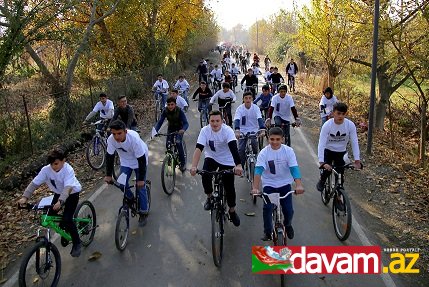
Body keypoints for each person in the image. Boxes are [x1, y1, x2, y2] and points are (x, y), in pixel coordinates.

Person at [18, 149, 82, 257]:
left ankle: (77, 242)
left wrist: (60, 202)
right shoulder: (45, 170)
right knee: (50, 215)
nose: (54, 167)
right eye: (51, 164)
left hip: (72, 194)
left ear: (63, 161)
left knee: (67, 218)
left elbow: (68, 188)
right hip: (58, 193)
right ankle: (64, 227)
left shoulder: (68, 169)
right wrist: (25, 197)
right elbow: (34, 184)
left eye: (56, 164)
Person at [190, 110, 243, 226]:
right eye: (212, 121)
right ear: (209, 121)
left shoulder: (227, 131)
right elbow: (199, 148)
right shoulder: (205, 131)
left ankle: (232, 211)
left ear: (222, 121)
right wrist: (194, 166)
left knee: (229, 186)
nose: (215, 124)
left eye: (217, 121)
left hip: (227, 159)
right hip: (212, 157)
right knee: (205, 175)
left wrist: (238, 165)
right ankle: (209, 197)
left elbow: (234, 149)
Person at [251, 127, 305, 241]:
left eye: (277, 139)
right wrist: (255, 188)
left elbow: (294, 168)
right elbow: (258, 170)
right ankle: (267, 231)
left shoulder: (288, 151)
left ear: (283, 139)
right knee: (268, 208)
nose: (274, 142)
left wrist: (298, 185)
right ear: (268, 139)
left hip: (285, 184)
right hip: (269, 184)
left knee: (288, 211)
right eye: (272, 139)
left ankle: (288, 225)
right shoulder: (264, 153)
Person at [104, 120, 150, 225]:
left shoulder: (133, 139)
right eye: (114, 134)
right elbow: (109, 157)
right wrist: (108, 175)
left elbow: (141, 160)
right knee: (121, 184)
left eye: (119, 133)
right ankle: (130, 197)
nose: (116, 137)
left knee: (140, 187)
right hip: (126, 162)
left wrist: (141, 179)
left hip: (140, 160)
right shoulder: (111, 140)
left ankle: (143, 212)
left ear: (125, 131)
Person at [316, 102, 361, 192]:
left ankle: (339, 195)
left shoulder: (350, 125)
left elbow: (354, 142)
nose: (341, 116)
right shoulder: (327, 125)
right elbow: (321, 143)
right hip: (328, 150)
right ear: (333, 113)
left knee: (340, 174)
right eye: (338, 113)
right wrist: (321, 161)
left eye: (343, 114)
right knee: (327, 170)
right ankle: (322, 180)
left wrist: (357, 160)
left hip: (341, 152)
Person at [154, 97, 188, 172]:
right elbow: (160, 122)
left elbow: (186, 123)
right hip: (171, 128)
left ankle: (183, 163)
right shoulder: (165, 111)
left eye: (172, 104)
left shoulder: (180, 111)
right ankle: (170, 158)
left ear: (175, 104)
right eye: (168, 105)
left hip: (179, 129)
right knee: (168, 144)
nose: (170, 106)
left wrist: (183, 130)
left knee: (178, 143)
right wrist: (155, 131)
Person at [234, 91, 266, 168]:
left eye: (249, 98)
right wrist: (237, 130)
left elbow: (259, 118)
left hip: (253, 130)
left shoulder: (256, 108)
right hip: (242, 131)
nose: (248, 100)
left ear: (252, 99)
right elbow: (237, 120)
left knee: (255, 145)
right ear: (243, 99)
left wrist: (262, 129)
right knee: (241, 149)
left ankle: (255, 159)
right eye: (246, 98)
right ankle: (241, 167)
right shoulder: (240, 109)